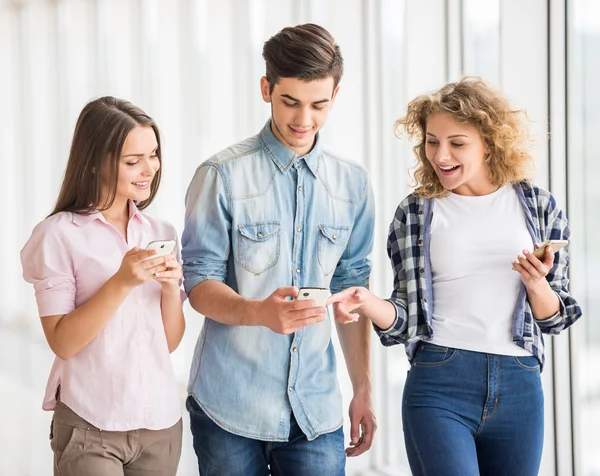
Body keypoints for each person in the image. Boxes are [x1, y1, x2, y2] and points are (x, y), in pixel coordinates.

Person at [328, 77, 582, 476]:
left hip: (521, 384)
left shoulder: (538, 206)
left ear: (489, 142)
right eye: (432, 141)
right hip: (439, 381)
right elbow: (405, 321)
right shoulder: (415, 213)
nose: (440, 155)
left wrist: (536, 283)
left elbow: (556, 317)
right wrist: (365, 301)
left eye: (456, 143)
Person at [182, 23, 376, 475]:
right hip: (229, 406)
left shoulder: (353, 184)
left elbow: (352, 290)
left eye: (318, 105)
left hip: (316, 410)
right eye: (290, 101)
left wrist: (363, 387)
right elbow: (198, 283)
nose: (303, 119)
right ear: (267, 88)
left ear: (335, 95)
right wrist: (259, 313)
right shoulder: (220, 175)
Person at [21, 97, 185, 476]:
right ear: (95, 161)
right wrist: (121, 282)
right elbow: (62, 341)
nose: (149, 169)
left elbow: (170, 342)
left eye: (153, 155)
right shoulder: (58, 236)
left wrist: (171, 289)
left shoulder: (161, 233)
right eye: (133, 161)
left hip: (160, 425)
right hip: (89, 426)